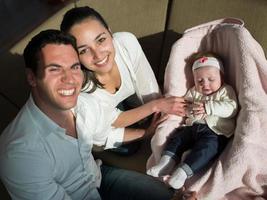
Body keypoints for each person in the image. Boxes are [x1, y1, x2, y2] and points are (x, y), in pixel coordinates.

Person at [0, 29, 175, 200]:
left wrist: (145, 133)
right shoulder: (20, 153)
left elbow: (104, 133)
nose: (70, 79)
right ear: (31, 77)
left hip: (99, 178)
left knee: (168, 195)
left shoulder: (83, 103)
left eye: (74, 67)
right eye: (55, 69)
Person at [60, 6, 186, 154]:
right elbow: (111, 121)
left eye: (101, 40)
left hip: (122, 104)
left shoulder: (126, 43)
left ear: (110, 32)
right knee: (129, 148)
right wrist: (147, 129)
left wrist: (160, 112)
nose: (98, 54)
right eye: (84, 50)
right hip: (101, 124)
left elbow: (149, 89)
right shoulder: (81, 88)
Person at [146, 52, 238, 189]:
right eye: (199, 81)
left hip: (215, 133)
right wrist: (191, 110)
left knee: (206, 150)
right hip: (192, 127)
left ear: (222, 77)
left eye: (211, 79)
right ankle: (166, 163)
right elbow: (185, 107)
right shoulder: (193, 92)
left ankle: (182, 173)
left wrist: (209, 107)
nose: (205, 84)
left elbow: (232, 108)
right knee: (176, 139)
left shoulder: (225, 91)